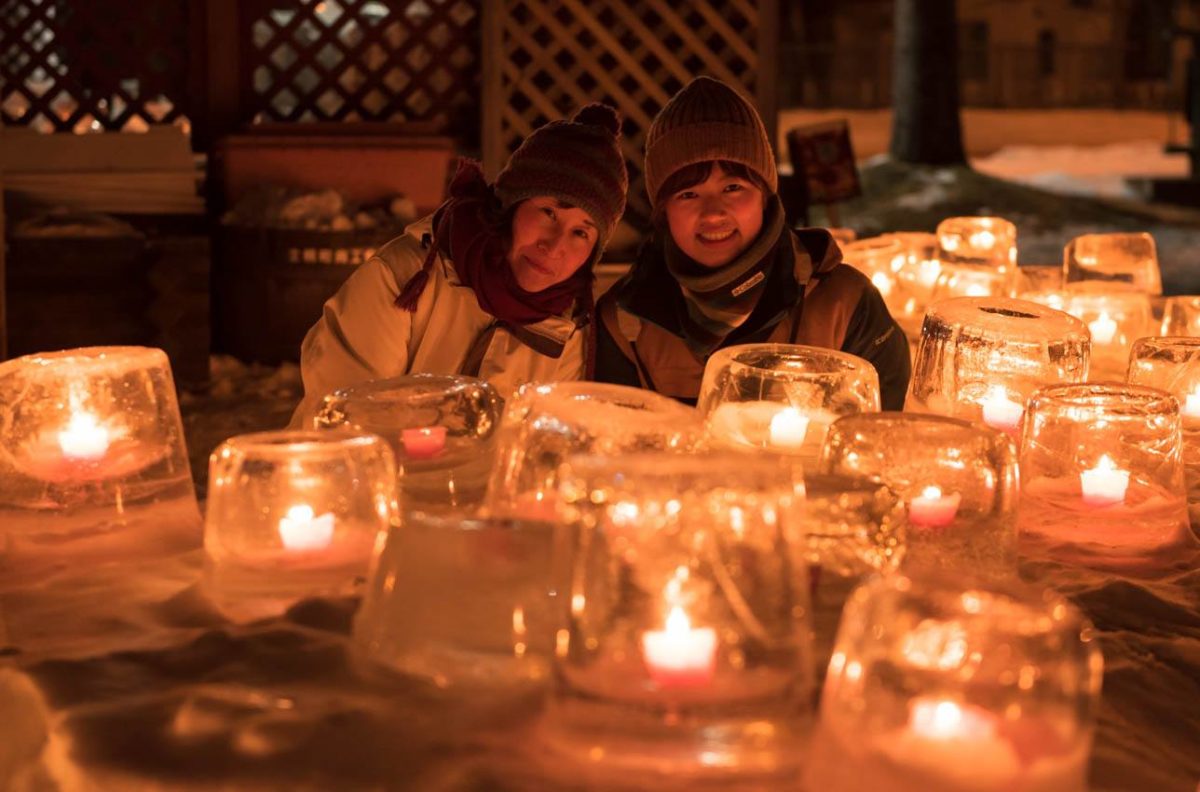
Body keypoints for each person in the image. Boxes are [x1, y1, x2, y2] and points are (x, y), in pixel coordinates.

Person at [290, 104, 629, 426]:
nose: (554, 246)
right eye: (549, 212)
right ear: (511, 206)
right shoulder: (403, 279)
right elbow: (343, 420)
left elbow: (550, 447)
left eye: (581, 232)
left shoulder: (568, 327)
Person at [593, 77, 910, 409]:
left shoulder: (843, 304)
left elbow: (886, 436)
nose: (713, 213)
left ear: (765, 197)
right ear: (664, 211)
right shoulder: (626, 323)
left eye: (733, 187)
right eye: (689, 194)